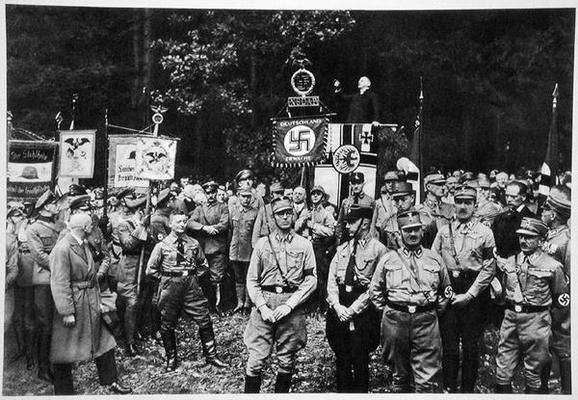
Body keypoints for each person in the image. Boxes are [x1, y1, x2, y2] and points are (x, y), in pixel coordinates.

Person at [369, 211, 452, 393]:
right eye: (407, 230)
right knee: (399, 376)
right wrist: (389, 311)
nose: (412, 234)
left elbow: (446, 291)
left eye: (416, 230)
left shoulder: (434, 258)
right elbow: (375, 290)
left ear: (422, 231)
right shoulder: (388, 259)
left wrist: (431, 311)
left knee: (426, 380)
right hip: (395, 321)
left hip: (426, 321)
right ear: (399, 233)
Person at [49, 213, 131, 395]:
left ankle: (111, 381)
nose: (92, 228)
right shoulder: (62, 249)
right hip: (75, 305)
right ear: (84, 228)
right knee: (64, 351)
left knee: (105, 343)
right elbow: (59, 282)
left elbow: (91, 277)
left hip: (90, 301)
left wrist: (99, 302)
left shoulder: (83, 244)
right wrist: (66, 311)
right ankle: (63, 392)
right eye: (90, 225)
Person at [243, 198, 317, 393]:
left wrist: (290, 305)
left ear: (293, 215)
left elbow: (311, 279)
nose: (285, 217)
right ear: (273, 217)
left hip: (291, 305)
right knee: (256, 360)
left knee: (286, 360)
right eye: (280, 213)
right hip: (265, 303)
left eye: (288, 212)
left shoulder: (304, 244)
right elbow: (252, 279)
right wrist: (262, 306)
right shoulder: (261, 244)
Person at [431, 185, 496, 393]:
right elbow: (433, 261)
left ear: (475, 205)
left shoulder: (485, 232)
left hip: (473, 291)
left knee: (470, 346)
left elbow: (489, 268)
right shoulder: (443, 231)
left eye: (468, 202)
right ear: (454, 204)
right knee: (449, 345)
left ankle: (467, 390)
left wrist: (469, 295)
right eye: (459, 202)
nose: (463, 207)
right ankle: (448, 387)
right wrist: (442, 290)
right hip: (449, 288)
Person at [494, 217, 569, 393]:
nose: (523, 241)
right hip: (511, 318)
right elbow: (505, 289)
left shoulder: (552, 266)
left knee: (534, 371)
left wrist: (547, 320)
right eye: (521, 237)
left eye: (529, 237)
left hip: (537, 321)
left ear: (541, 241)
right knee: (502, 370)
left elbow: (562, 299)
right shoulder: (511, 261)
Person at [146, 212, 228, 371]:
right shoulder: (162, 246)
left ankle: (211, 356)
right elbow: (151, 270)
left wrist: (193, 277)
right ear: (170, 224)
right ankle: (171, 358)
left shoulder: (193, 243)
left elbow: (203, 265)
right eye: (178, 222)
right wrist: (166, 279)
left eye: (184, 221)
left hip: (191, 285)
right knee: (167, 323)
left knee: (204, 318)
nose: (182, 224)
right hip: (170, 286)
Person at [326, 205, 387, 392]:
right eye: (347, 222)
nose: (347, 226)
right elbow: (331, 280)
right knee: (342, 356)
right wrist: (336, 305)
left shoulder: (379, 249)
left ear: (365, 223)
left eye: (352, 222)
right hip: (340, 307)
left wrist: (353, 310)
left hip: (363, 311)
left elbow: (377, 286)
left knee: (360, 357)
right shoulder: (343, 247)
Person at [26, 190, 64, 383]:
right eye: (55, 203)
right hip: (44, 282)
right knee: (45, 326)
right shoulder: (33, 229)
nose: (58, 205)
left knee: (59, 324)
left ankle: (57, 362)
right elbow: (39, 256)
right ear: (47, 206)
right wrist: (62, 266)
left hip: (60, 281)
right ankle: (42, 368)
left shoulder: (60, 225)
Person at [540, 186, 571, 394]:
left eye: (546, 208)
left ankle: (568, 390)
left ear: (554, 214)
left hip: (559, 307)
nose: (542, 211)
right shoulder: (549, 236)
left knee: (562, 347)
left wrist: (562, 313)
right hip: (544, 304)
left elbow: (569, 279)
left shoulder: (567, 240)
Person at [187, 181, 230, 315]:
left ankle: (218, 306)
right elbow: (189, 223)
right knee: (203, 277)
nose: (210, 195)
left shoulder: (223, 207)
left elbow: (224, 224)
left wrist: (213, 229)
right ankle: (208, 305)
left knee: (218, 278)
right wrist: (205, 228)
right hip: (203, 248)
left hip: (217, 247)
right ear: (205, 194)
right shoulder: (200, 209)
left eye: (213, 192)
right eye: (208, 193)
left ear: (216, 193)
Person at [114, 194, 148, 356]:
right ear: (138, 211)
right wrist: (141, 226)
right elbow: (127, 244)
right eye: (140, 210)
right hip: (128, 267)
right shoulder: (124, 225)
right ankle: (129, 342)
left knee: (138, 301)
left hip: (142, 267)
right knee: (131, 302)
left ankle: (133, 332)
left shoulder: (142, 223)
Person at [295, 185, 336, 312]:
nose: (315, 196)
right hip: (306, 245)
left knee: (320, 277)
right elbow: (296, 228)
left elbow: (331, 232)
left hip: (319, 247)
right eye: (313, 194)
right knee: (307, 275)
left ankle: (321, 306)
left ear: (323, 197)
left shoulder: (326, 214)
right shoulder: (306, 211)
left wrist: (315, 226)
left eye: (318, 194)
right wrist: (302, 220)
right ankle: (308, 306)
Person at [229, 188, 259, 313]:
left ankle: (247, 303)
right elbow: (230, 230)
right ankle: (239, 302)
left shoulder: (256, 212)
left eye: (248, 197)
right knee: (238, 277)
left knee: (249, 277)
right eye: (243, 196)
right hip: (235, 250)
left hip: (248, 250)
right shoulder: (233, 211)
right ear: (238, 196)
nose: (246, 199)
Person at [492, 180, 536, 258]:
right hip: (500, 262)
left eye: (513, 196)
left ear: (523, 197)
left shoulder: (531, 219)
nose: (509, 199)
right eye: (507, 196)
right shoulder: (499, 218)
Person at [414, 173, 454, 248]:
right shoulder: (418, 210)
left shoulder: (451, 208)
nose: (443, 188)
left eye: (443, 184)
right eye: (438, 184)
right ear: (428, 186)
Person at [336, 172, 375, 245]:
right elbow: (340, 222)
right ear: (350, 184)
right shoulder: (346, 202)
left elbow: (374, 223)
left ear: (363, 183)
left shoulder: (370, 202)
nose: (356, 186)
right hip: (348, 238)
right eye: (353, 183)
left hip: (364, 238)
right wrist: (338, 239)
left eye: (359, 183)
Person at [370, 171, 398, 246]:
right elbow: (373, 223)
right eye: (388, 182)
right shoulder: (379, 202)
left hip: (398, 238)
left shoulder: (400, 201)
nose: (391, 185)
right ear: (385, 184)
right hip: (383, 237)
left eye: (393, 182)